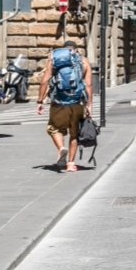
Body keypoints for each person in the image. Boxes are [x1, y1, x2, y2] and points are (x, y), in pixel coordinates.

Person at [36, 39, 94, 173]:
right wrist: (89, 105)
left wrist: (40, 101)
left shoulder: (55, 60)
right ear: (76, 49)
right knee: (74, 133)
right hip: (77, 103)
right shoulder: (84, 61)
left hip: (59, 102)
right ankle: (71, 164)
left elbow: (44, 81)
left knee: (54, 128)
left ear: (64, 49)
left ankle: (61, 148)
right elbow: (89, 85)